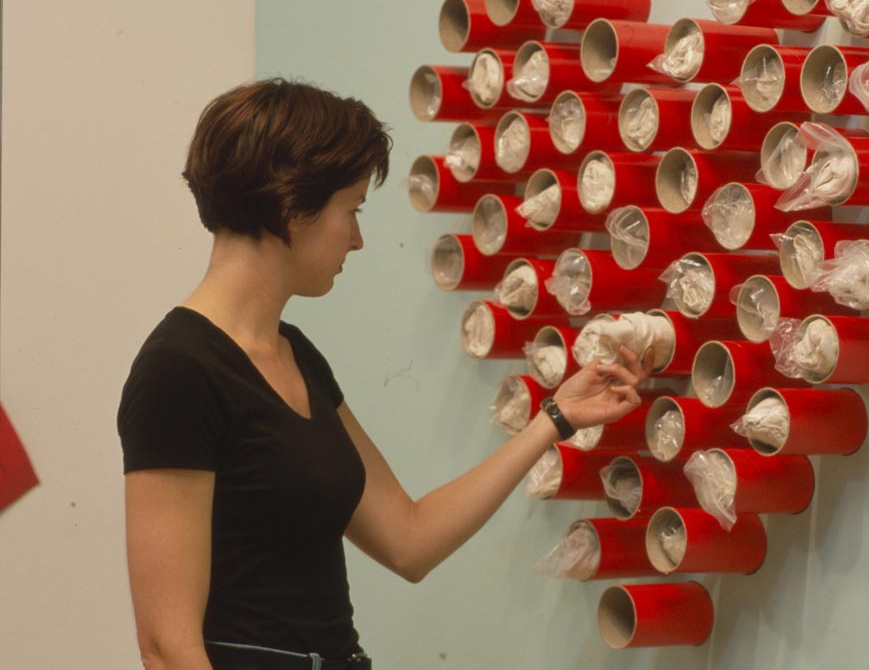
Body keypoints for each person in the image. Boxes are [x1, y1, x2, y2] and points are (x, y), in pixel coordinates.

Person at [117, 78, 652, 670]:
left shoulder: (294, 354)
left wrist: (555, 419)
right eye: (351, 210)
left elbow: (409, 540)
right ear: (292, 207)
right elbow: (167, 648)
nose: (358, 238)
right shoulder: (179, 371)